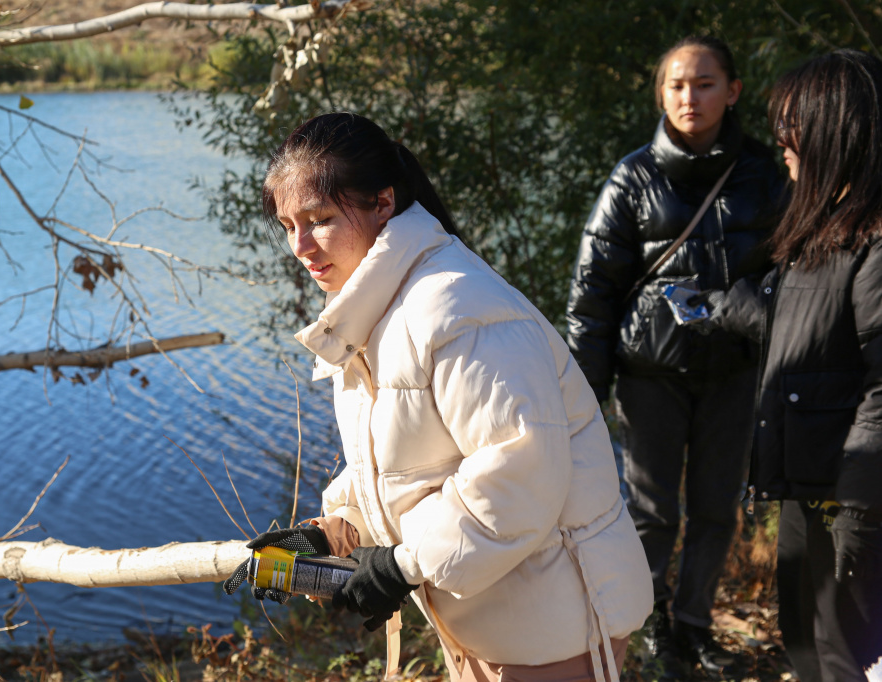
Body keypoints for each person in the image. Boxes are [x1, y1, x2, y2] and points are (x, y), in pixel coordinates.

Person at [224, 112, 653, 682]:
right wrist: (335, 529)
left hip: (556, 621)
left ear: (383, 201)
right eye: (286, 226)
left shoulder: (457, 307)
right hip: (487, 617)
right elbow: (401, 461)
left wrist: (400, 567)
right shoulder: (376, 311)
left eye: (320, 219)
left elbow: (517, 473)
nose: (300, 246)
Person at [564, 35, 785, 677]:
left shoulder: (764, 174)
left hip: (733, 374)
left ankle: (693, 626)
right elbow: (593, 293)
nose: (691, 97)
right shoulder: (634, 177)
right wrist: (585, 390)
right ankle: (641, 627)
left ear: (733, 91)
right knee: (652, 512)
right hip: (649, 377)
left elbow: (795, 268)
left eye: (706, 83)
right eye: (678, 85)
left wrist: (751, 303)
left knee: (718, 508)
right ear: (661, 94)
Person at [701, 49, 882, 682]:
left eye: (794, 123)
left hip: (851, 501)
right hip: (808, 494)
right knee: (809, 651)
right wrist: (719, 309)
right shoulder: (822, 231)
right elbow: (804, 335)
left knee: (844, 662)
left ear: (839, 127)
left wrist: (860, 510)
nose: (782, 141)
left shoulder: (875, 239)